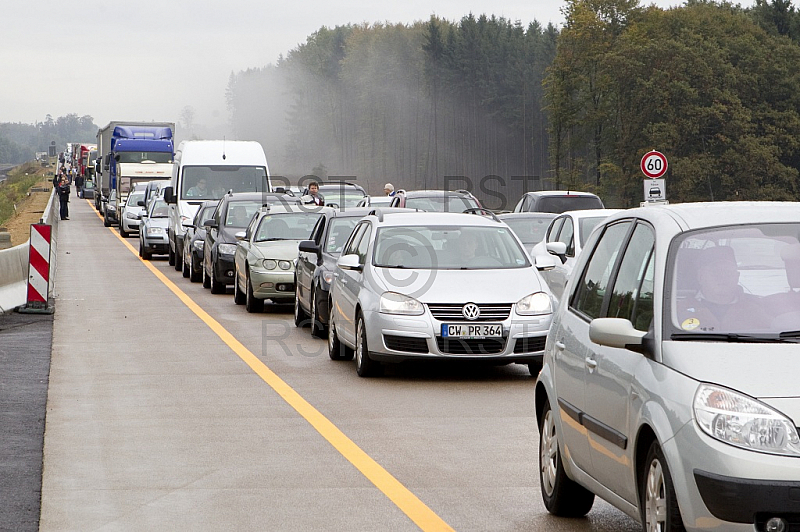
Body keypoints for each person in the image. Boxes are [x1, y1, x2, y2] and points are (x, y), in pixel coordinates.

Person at [677, 245, 768, 331]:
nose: (722, 277)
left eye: (728, 271)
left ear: (737, 276)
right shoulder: (680, 309)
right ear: (701, 276)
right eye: (715, 271)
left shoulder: (755, 307)